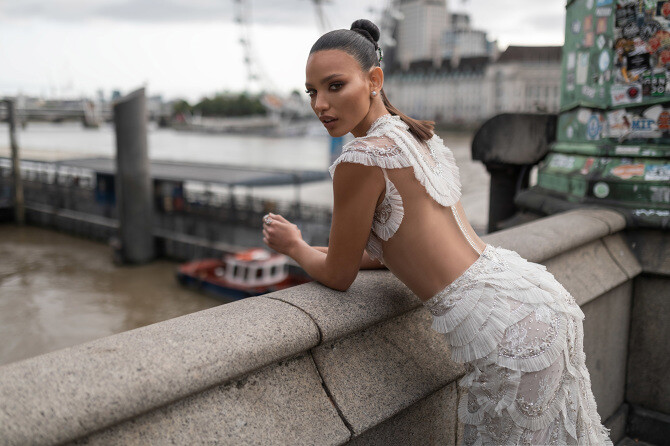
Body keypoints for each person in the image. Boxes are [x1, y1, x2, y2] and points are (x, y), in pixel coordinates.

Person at [262, 18, 613, 446]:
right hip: (533, 296)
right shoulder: (419, 135)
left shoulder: (360, 158)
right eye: (311, 92)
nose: (320, 104)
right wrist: (326, 249)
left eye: (335, 86)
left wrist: (295, 246)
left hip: (503, 329)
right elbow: (395, 248)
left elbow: (339, 275)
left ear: (374, 80)